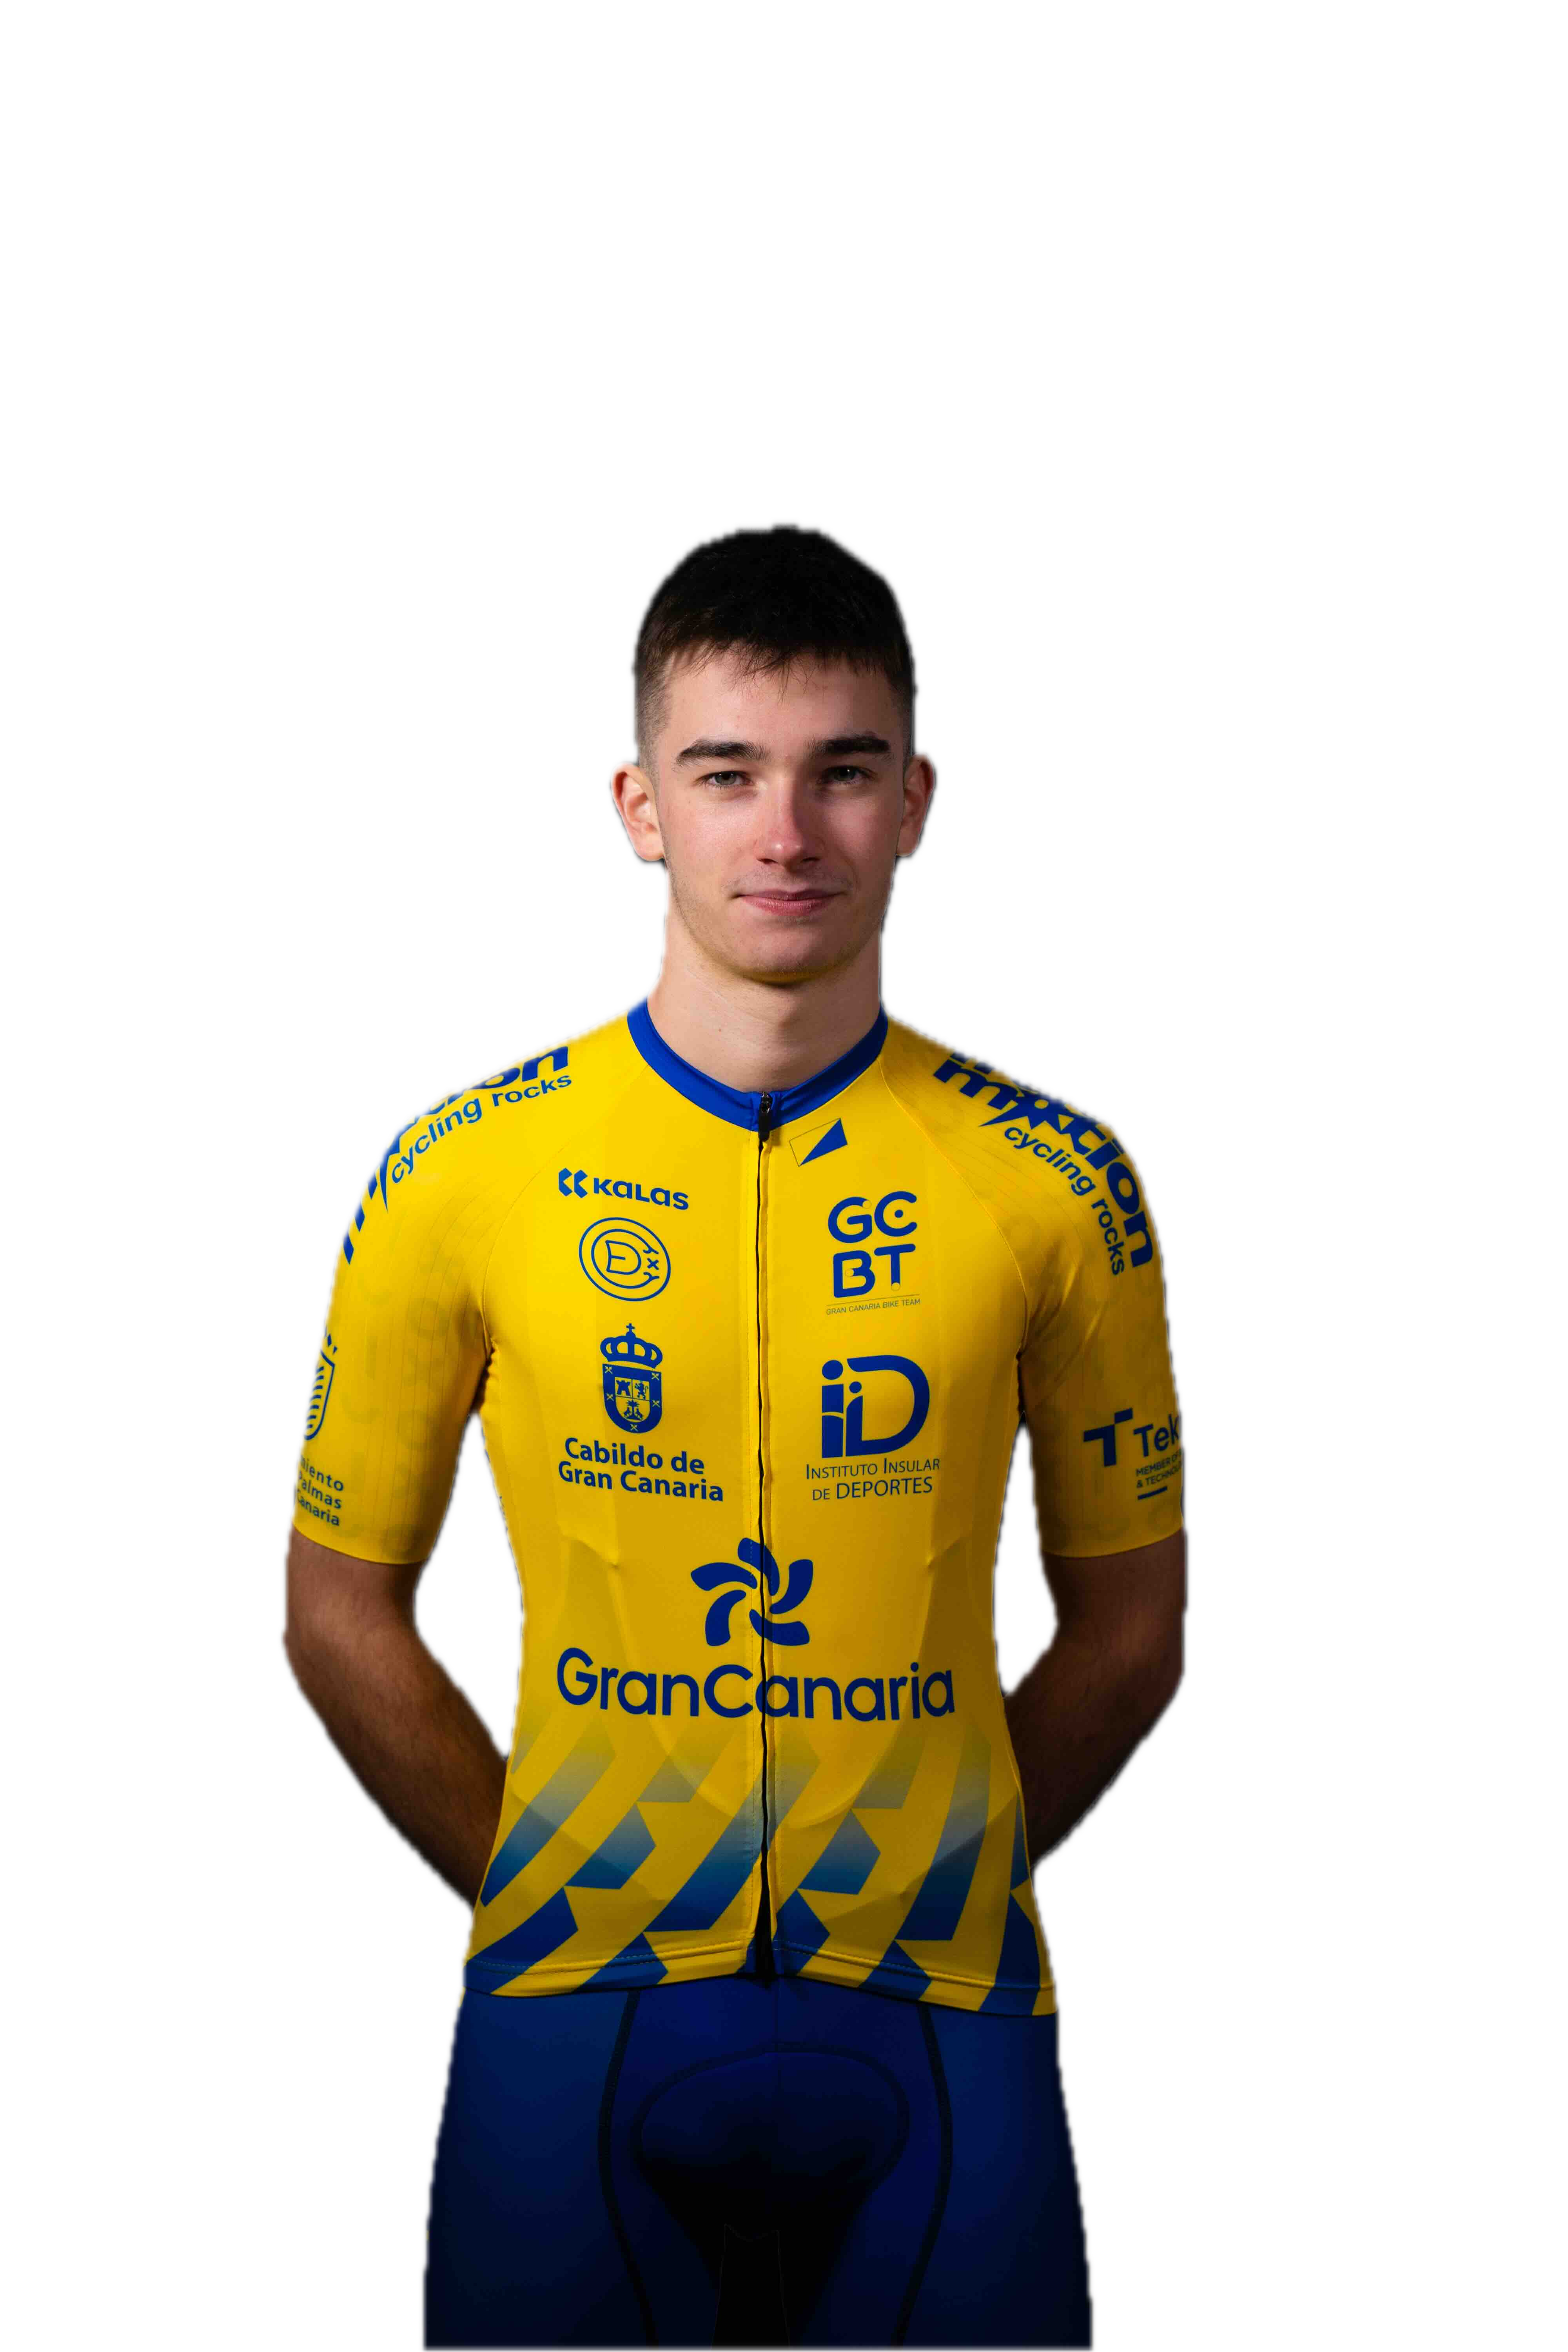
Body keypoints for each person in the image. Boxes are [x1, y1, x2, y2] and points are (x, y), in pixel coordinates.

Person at [282, 522, 1186, 2349]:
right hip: (571, 2001)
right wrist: (542, 1873)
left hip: (945, 2009)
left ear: (912, 801)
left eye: (842, 772)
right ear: (639, 807)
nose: (787, 833)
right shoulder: (457, 1166)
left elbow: (1131, 1635)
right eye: (726, 774)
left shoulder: (1060, 1177)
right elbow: (334, 1614)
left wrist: (938, 1857)